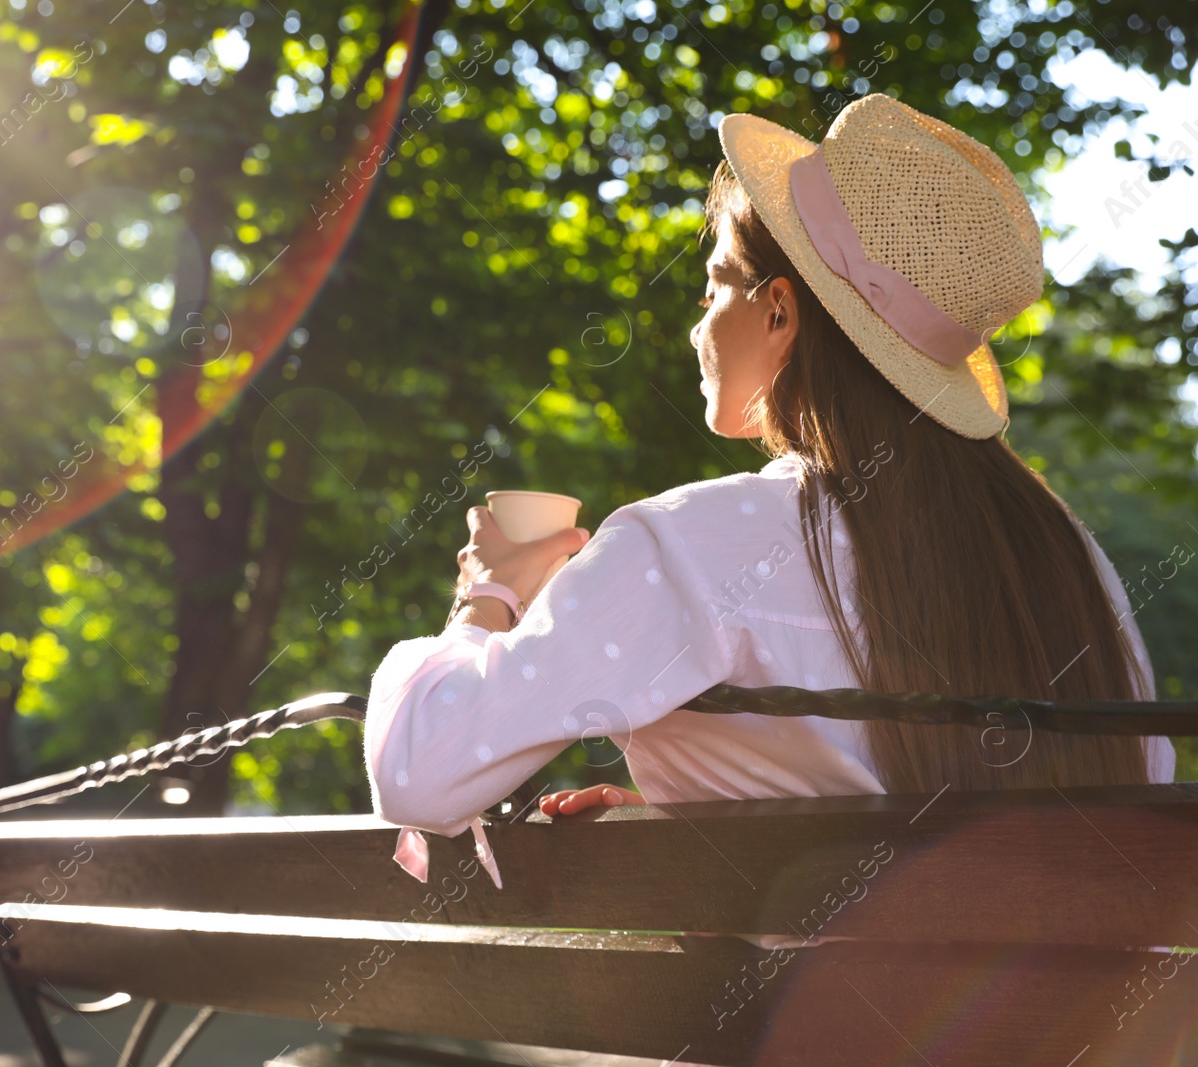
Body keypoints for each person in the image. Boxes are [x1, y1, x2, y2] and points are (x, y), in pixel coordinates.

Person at [363, 93, 1175, 846]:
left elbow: (420, 777)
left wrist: (490, 595)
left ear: (779, 311)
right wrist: (732, 807)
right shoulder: (1068, 558)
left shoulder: (691, 545)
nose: (695, 329)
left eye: (714, 285)